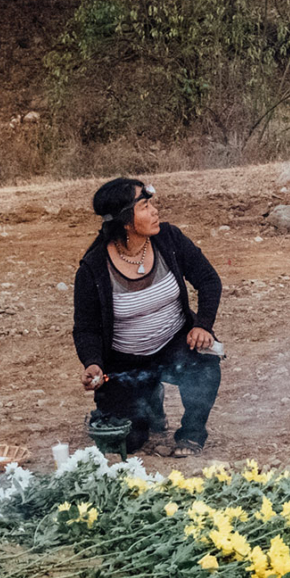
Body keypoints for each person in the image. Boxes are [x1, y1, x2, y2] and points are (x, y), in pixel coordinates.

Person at [72, 178, 223, 458]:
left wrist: (203, 326)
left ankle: (192, 433)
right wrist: (93, 363)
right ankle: (150, 398)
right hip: (125, 364)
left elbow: (209, 280)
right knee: (126, 441)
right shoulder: (93, 268)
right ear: (126, 222)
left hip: (174, 347)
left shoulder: (169, 238)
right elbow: (86, 328)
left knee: (204, 363)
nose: (155, 211)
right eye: (145, 206)